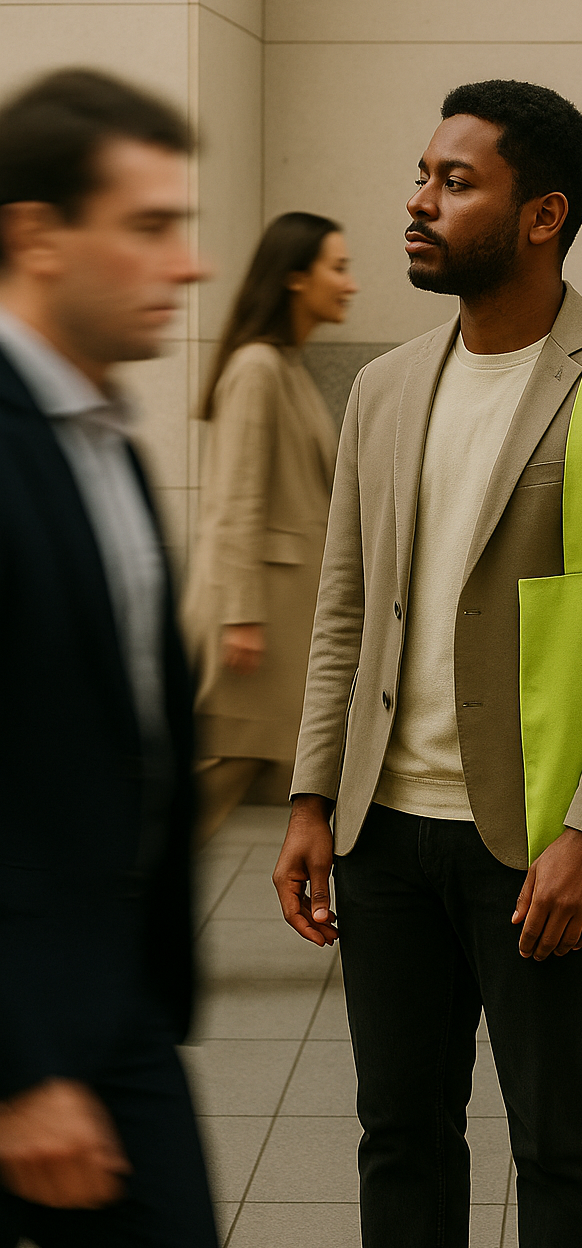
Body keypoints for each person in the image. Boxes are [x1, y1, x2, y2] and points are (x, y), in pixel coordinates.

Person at [271, 79, 582, 1248]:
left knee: (558, 1144)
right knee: (399, 1139)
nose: (417, 203)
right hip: (384, 834)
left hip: (540, 844)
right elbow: (345, 611)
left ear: (542, 213)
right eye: (422, 174)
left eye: (454, 182)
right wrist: (314, 795)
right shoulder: (384, 388)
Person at [0, 69, 232, 1248]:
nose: (187, 265)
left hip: (109, 1013)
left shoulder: (102, 440)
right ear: (37, 234)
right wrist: (17, 1074)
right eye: (150, 226)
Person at [184, 212, 354, 843]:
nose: (349, 284)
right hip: (256, 632)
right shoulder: (259, 368)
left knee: (228, 770)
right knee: (214, 774)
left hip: (275, 628)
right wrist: (241, 616)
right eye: (337, 267)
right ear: (292, 278)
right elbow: (234, 501)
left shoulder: (283, 366)